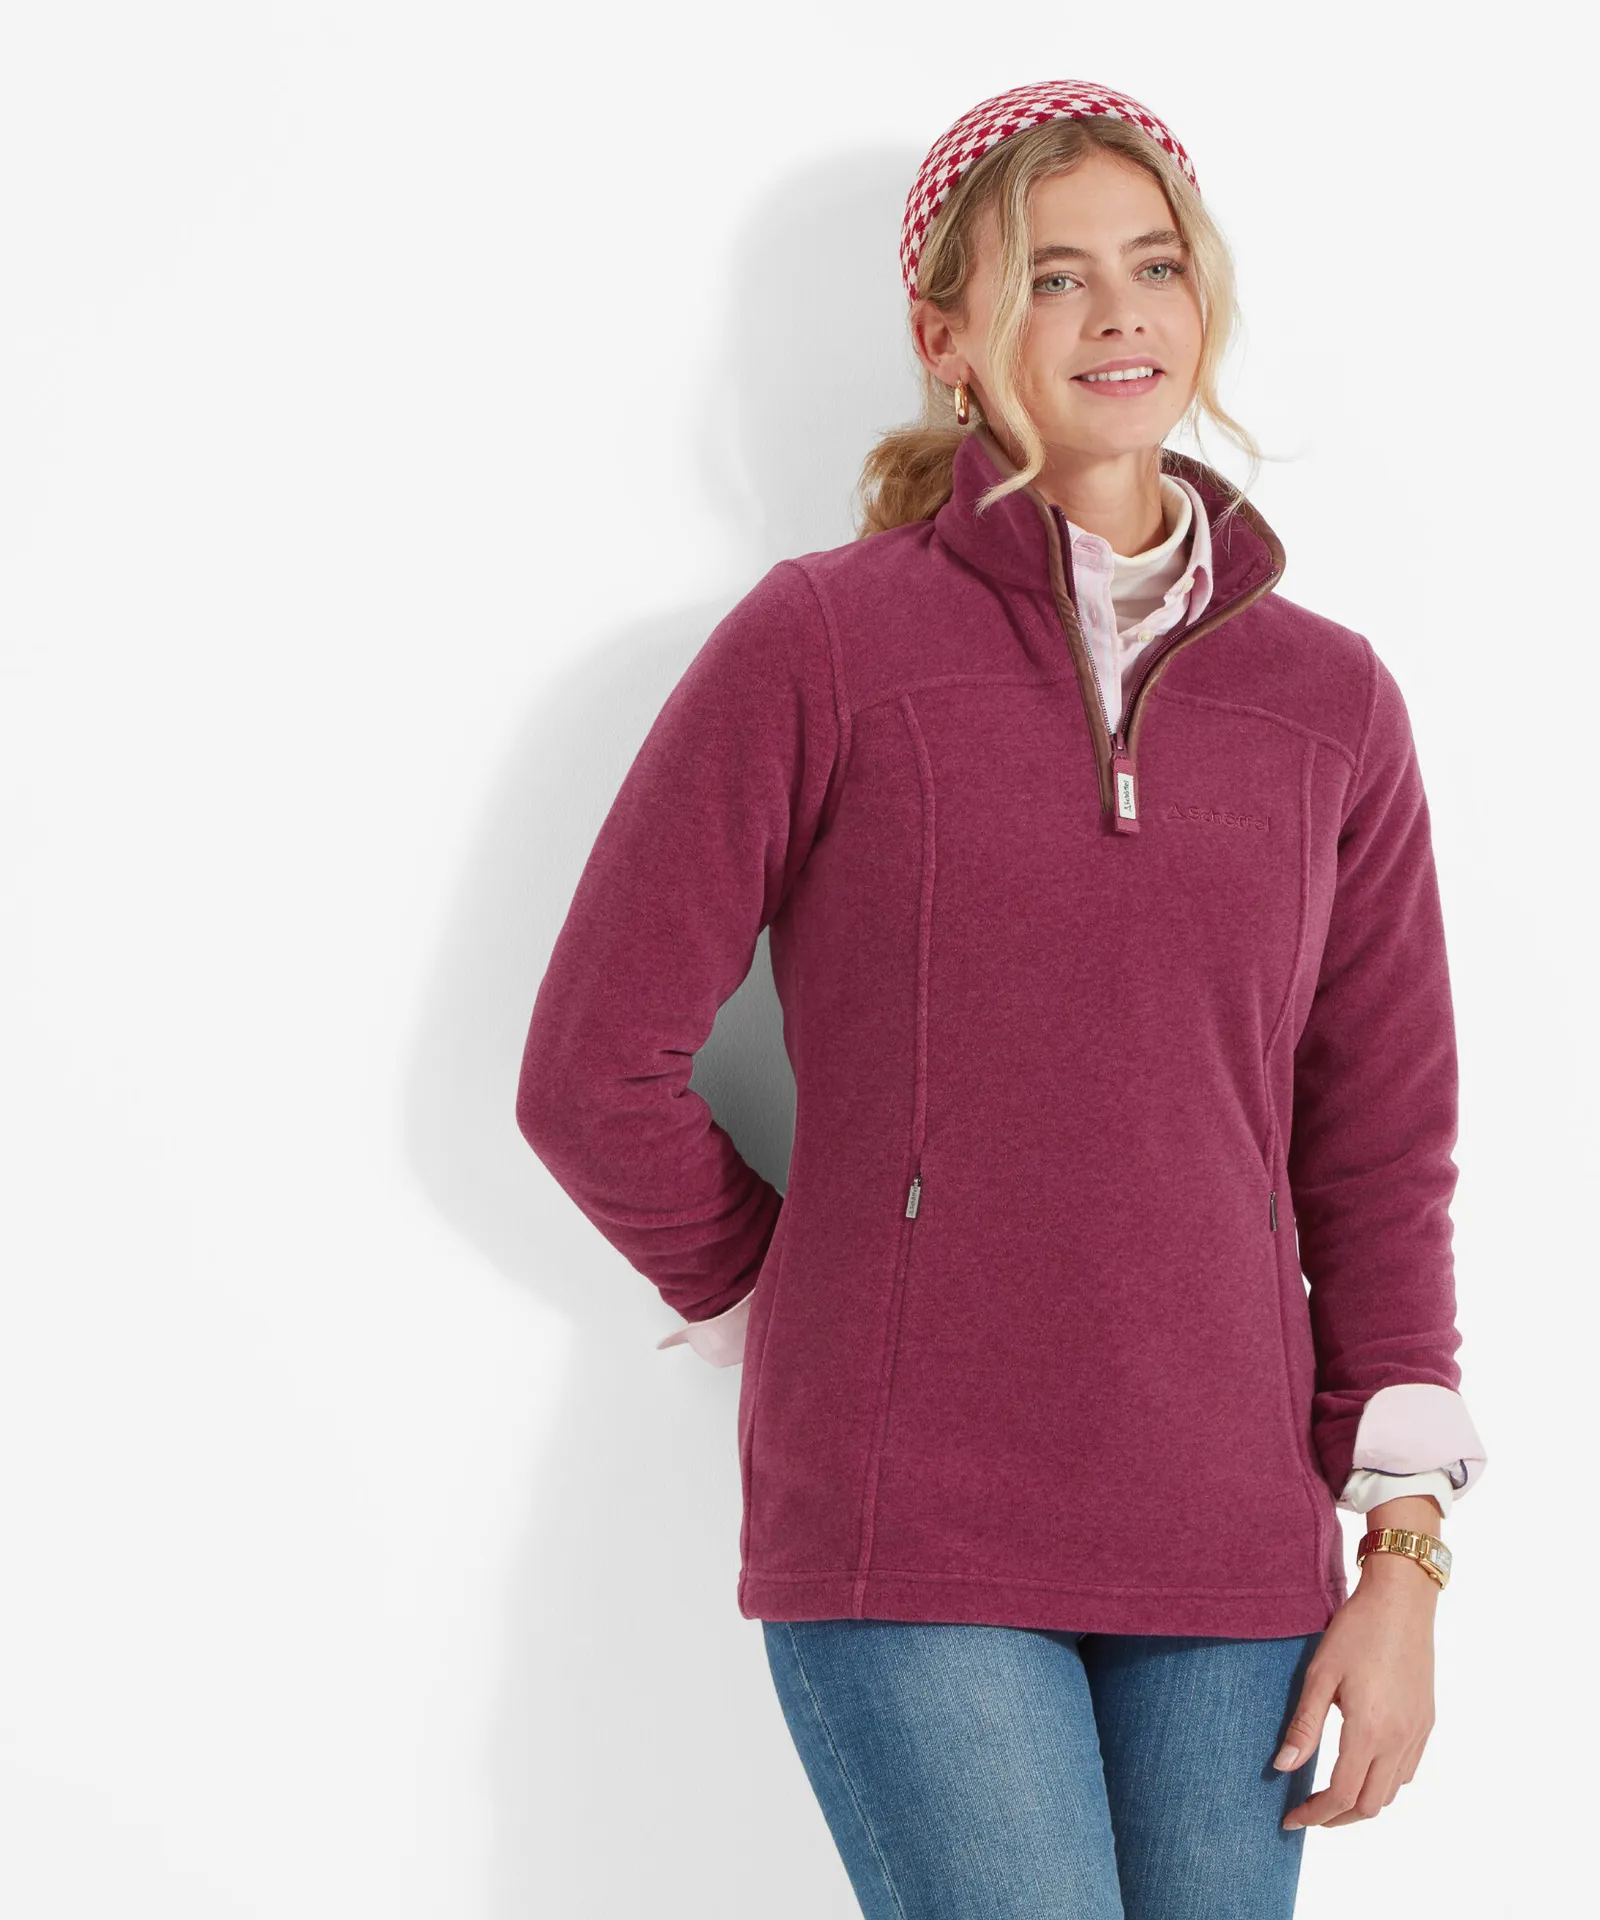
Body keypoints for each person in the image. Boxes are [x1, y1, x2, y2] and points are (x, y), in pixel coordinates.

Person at [515, 78, 1487, 1917]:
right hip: (913, 1527)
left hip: (1230, 1545)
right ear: (944, 336)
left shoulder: (1330, 702)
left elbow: (1378, 1152)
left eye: (1154, 265)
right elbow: (592, 1069)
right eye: (1053, 274)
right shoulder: (825, 642)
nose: (1120, 313)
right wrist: (797, 1288)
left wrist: (1405, 1558)